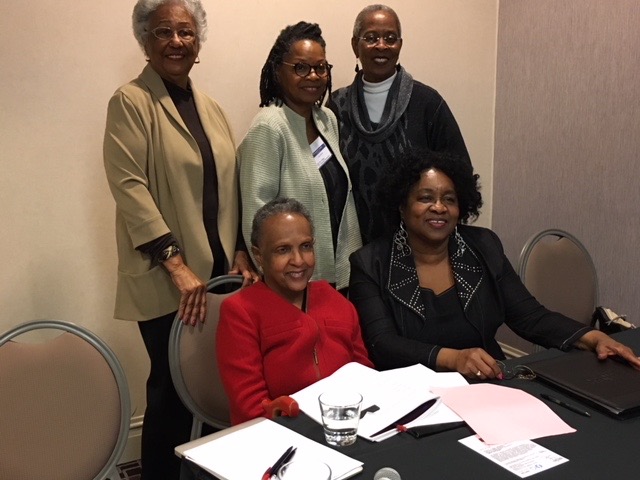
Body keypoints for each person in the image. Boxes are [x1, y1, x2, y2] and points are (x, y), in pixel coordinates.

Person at [103, 1, 257, 477]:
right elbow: (129, 187)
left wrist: (237, 251)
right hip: (167, 280)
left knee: (211, 386)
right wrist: (174, 263)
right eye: (163, 31)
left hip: (217, 280)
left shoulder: (208, 107)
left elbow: (226, 186)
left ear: (199, 42)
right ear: (145, 41)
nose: (176, 42)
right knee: (172, 393)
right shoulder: (130, 102)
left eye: (186, 32)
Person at [349, 149, 640, 379]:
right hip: (414, 395)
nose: (439, 207)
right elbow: (382, 345)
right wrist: (454, 358)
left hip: (487, 383)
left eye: (449, 199)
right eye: (425, 198)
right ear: (402, 206)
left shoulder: (483, 246)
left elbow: (529, 316)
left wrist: (592, 337)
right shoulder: (370, 263)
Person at [217, 198, 373, 425]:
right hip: (281, 433)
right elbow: (249, 408)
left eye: (306, 246)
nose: (298, 261)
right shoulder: (240, 312)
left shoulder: (335, 299)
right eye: (283, 250)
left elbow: (364, 373)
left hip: (349, 424)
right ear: (259, 255)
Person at [328, 4, 470, 244]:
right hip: (352, 248)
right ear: (355, 45)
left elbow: (461, 175)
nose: (381, 45)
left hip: (420, 247)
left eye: (390, 38)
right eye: (371, 37)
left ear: (400, 45)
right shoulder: (335, 106)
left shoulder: (427, 103)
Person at [238, 22, 361, 291]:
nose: (314, 76)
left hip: (340, 276)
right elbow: (255, 215)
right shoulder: (269, 127)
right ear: (278, 71)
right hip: (293, 282)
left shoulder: (326, 119)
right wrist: (274, 277)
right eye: (301, 68)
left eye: (321, 68)